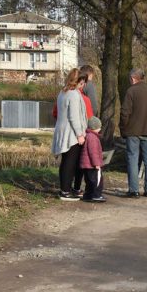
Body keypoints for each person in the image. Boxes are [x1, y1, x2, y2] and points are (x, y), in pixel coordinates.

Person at [119, 68, 147, 198]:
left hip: (133, 131)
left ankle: (134, 190)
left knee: (133, 158)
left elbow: (125, 112)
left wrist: (123, 128)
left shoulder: (131, 92)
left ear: (133, 78)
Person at [51, 68, 87, 201]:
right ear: (77, 82)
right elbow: (74, 117)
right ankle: (65, 191)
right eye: (82, 82)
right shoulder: (74, 94)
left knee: (66, 162)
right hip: (71, 133)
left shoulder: (63, 92)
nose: (83, 85)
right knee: (70, 163)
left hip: (62, 130)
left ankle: (64, 189)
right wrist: (80, 134)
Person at [80, 116, 106, 202]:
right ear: (96, 127)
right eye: (99, 127)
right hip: (92, 165)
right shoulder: (93, 138)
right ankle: (96, 195)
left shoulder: (87, 135)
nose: (100, 128)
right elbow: (93, 152)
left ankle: (88, 195)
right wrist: (97, 163)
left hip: (86, 164)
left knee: (89, 181)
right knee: (97, 180)